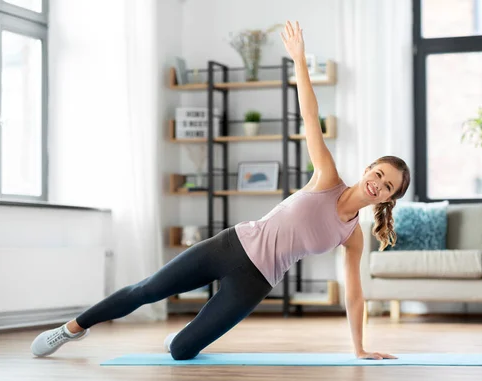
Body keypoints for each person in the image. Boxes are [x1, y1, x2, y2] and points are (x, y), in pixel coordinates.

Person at [30, 21, 410, 361]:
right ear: (367, 169)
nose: (378, 183)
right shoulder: (326, 177)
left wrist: (358, 348)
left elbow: (355, 295)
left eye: (387, 185)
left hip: (255, 282)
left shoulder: (353, 236)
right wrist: (298, 60)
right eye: (378, 173)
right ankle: (71, 330)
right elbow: (310, 116)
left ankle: (181, 336)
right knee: (147, 290)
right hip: (230, 246)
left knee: (181, 351)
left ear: (388, 198)